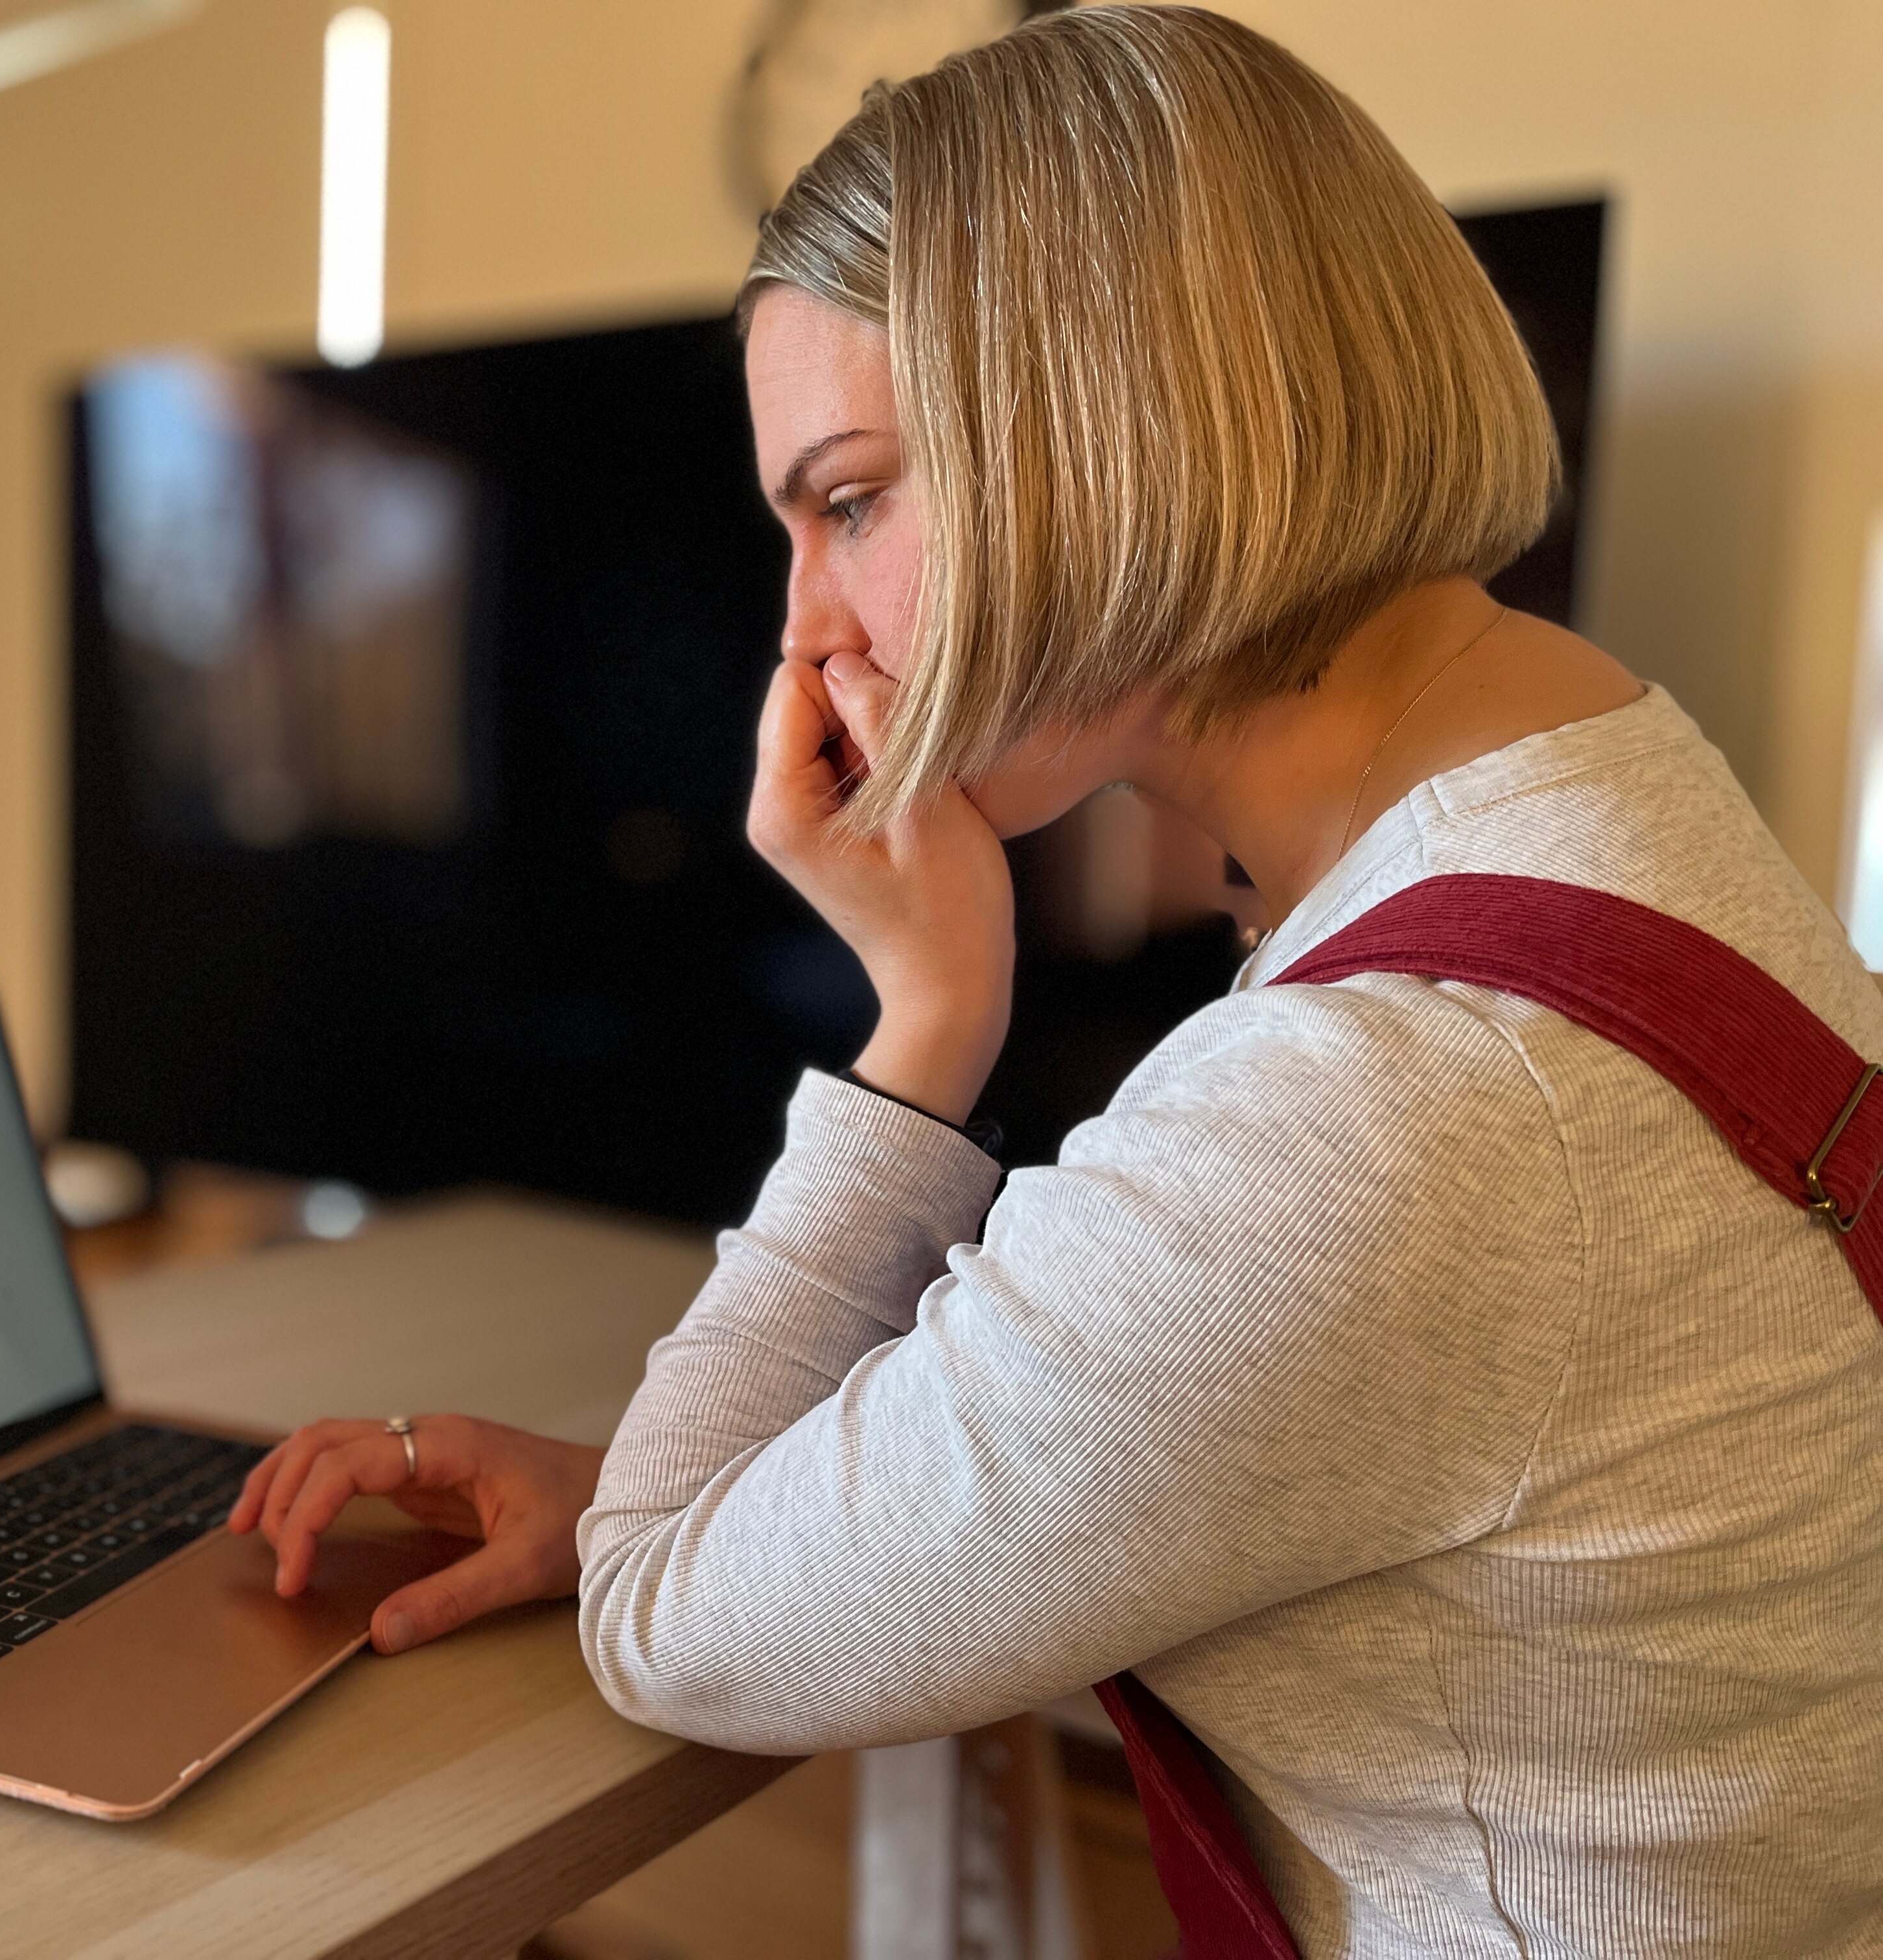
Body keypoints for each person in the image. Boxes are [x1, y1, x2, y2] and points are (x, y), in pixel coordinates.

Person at [226, 8, 1883, 1950]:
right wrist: (734, 1506)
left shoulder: (1385, 1100)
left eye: (849, 499)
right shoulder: (1620, 815)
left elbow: (665, 1618)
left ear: (1116, 410)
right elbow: (1229, 1437)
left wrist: (924, 1025)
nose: (807, 628)